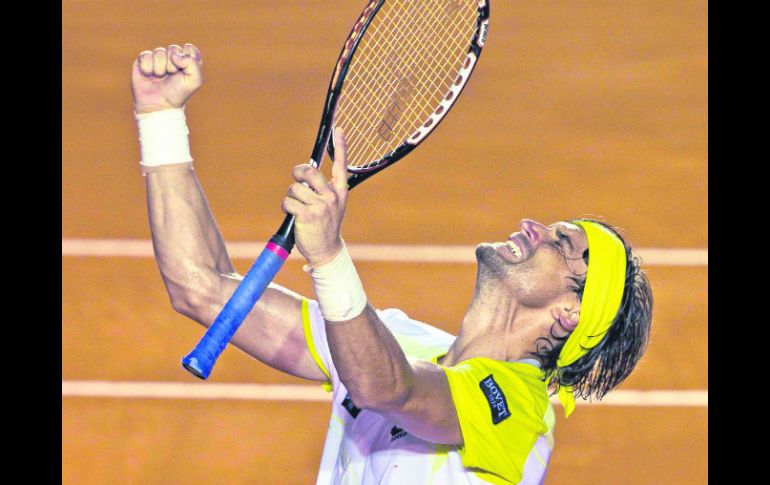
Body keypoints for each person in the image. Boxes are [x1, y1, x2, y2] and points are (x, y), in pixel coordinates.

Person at [131, 44, 653, 485]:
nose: (534, 227)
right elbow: (199, 286)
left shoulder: (520, 409)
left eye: (561, 244)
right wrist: (160, 117)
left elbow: (388, 389)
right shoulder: (393, 340)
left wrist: (330, 257)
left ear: (568, 313)